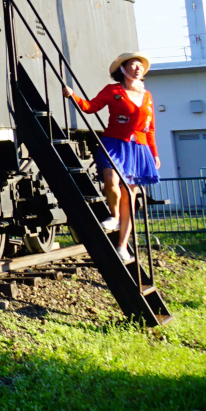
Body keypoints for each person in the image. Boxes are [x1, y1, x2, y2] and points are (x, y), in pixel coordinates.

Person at [68, 53, 158, 263]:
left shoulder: (148, 96)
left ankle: (122, 245)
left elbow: (150, 128)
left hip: (139, 148)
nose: (137, 68)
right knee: (111, 180)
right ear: (123, 69)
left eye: (140, 66)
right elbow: (90, 108)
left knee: (131, 198)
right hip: (114, 143)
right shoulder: (113, 91)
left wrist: (154, 153)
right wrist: (72, 95)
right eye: (133, 65)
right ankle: (114, 216)